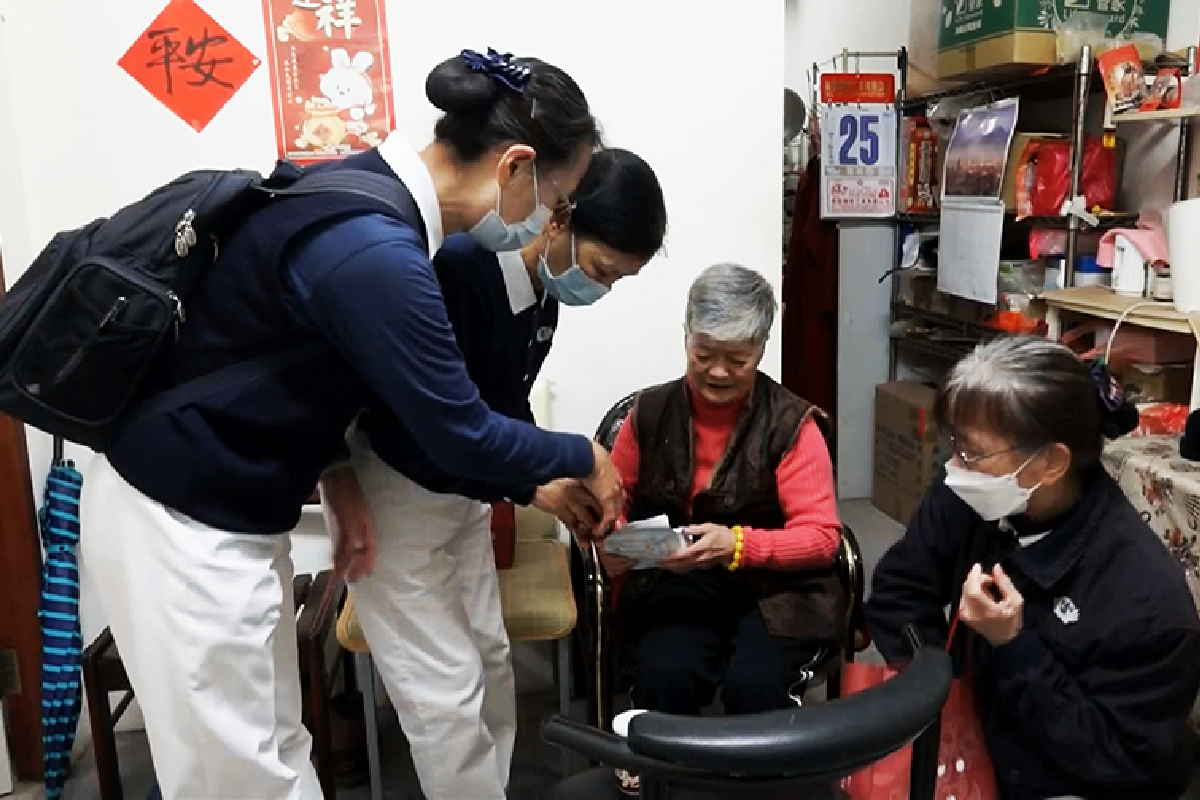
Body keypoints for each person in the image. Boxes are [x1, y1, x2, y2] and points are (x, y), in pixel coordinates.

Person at [79, 49, 622, 800]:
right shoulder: (376, 250)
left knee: (272, 749)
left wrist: (336, 476)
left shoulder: (365, 197)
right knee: (241, 778)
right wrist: (583, 455)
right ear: (517, 166)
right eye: (559, 198)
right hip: (182, 515)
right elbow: (457, 429)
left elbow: (293, 361)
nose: (551, 221)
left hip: (230, 505)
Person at [322, 147, 667, 799]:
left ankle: (491, 790)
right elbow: (442, 431)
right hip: (401, 495)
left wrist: (543, 486)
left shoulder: (543, 299)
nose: (601, 288)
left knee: (489, 661)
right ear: (559, 219)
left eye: (618, 280)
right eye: (602, 270)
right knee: (445, 699)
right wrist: (565, 465)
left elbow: (503, 414)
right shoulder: (459, 272)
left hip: (464, 498)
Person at [866, 337, 1200, 800]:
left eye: (973, 452)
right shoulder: (967, 494)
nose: (954, 467)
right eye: (955, 445)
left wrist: (1014, 646)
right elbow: (898, 592)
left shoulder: (1145, 597)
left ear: (1050, 462)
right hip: (972, 738)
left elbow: (1120, 758)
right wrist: (936, 685)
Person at [602, 263, 844, 718]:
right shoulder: (649, 413)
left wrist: (736, 544)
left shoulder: (792, 425)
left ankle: (753, 784)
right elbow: (614, 501)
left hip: (778, 588)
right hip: (679, 576)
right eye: (704, 353)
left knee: (757, 685)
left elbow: (822, 537)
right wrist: (615, 539)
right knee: (665, 673)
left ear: (762, 349)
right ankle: (665, 779)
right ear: (686, 338)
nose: (717, 372)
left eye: (738, 360)